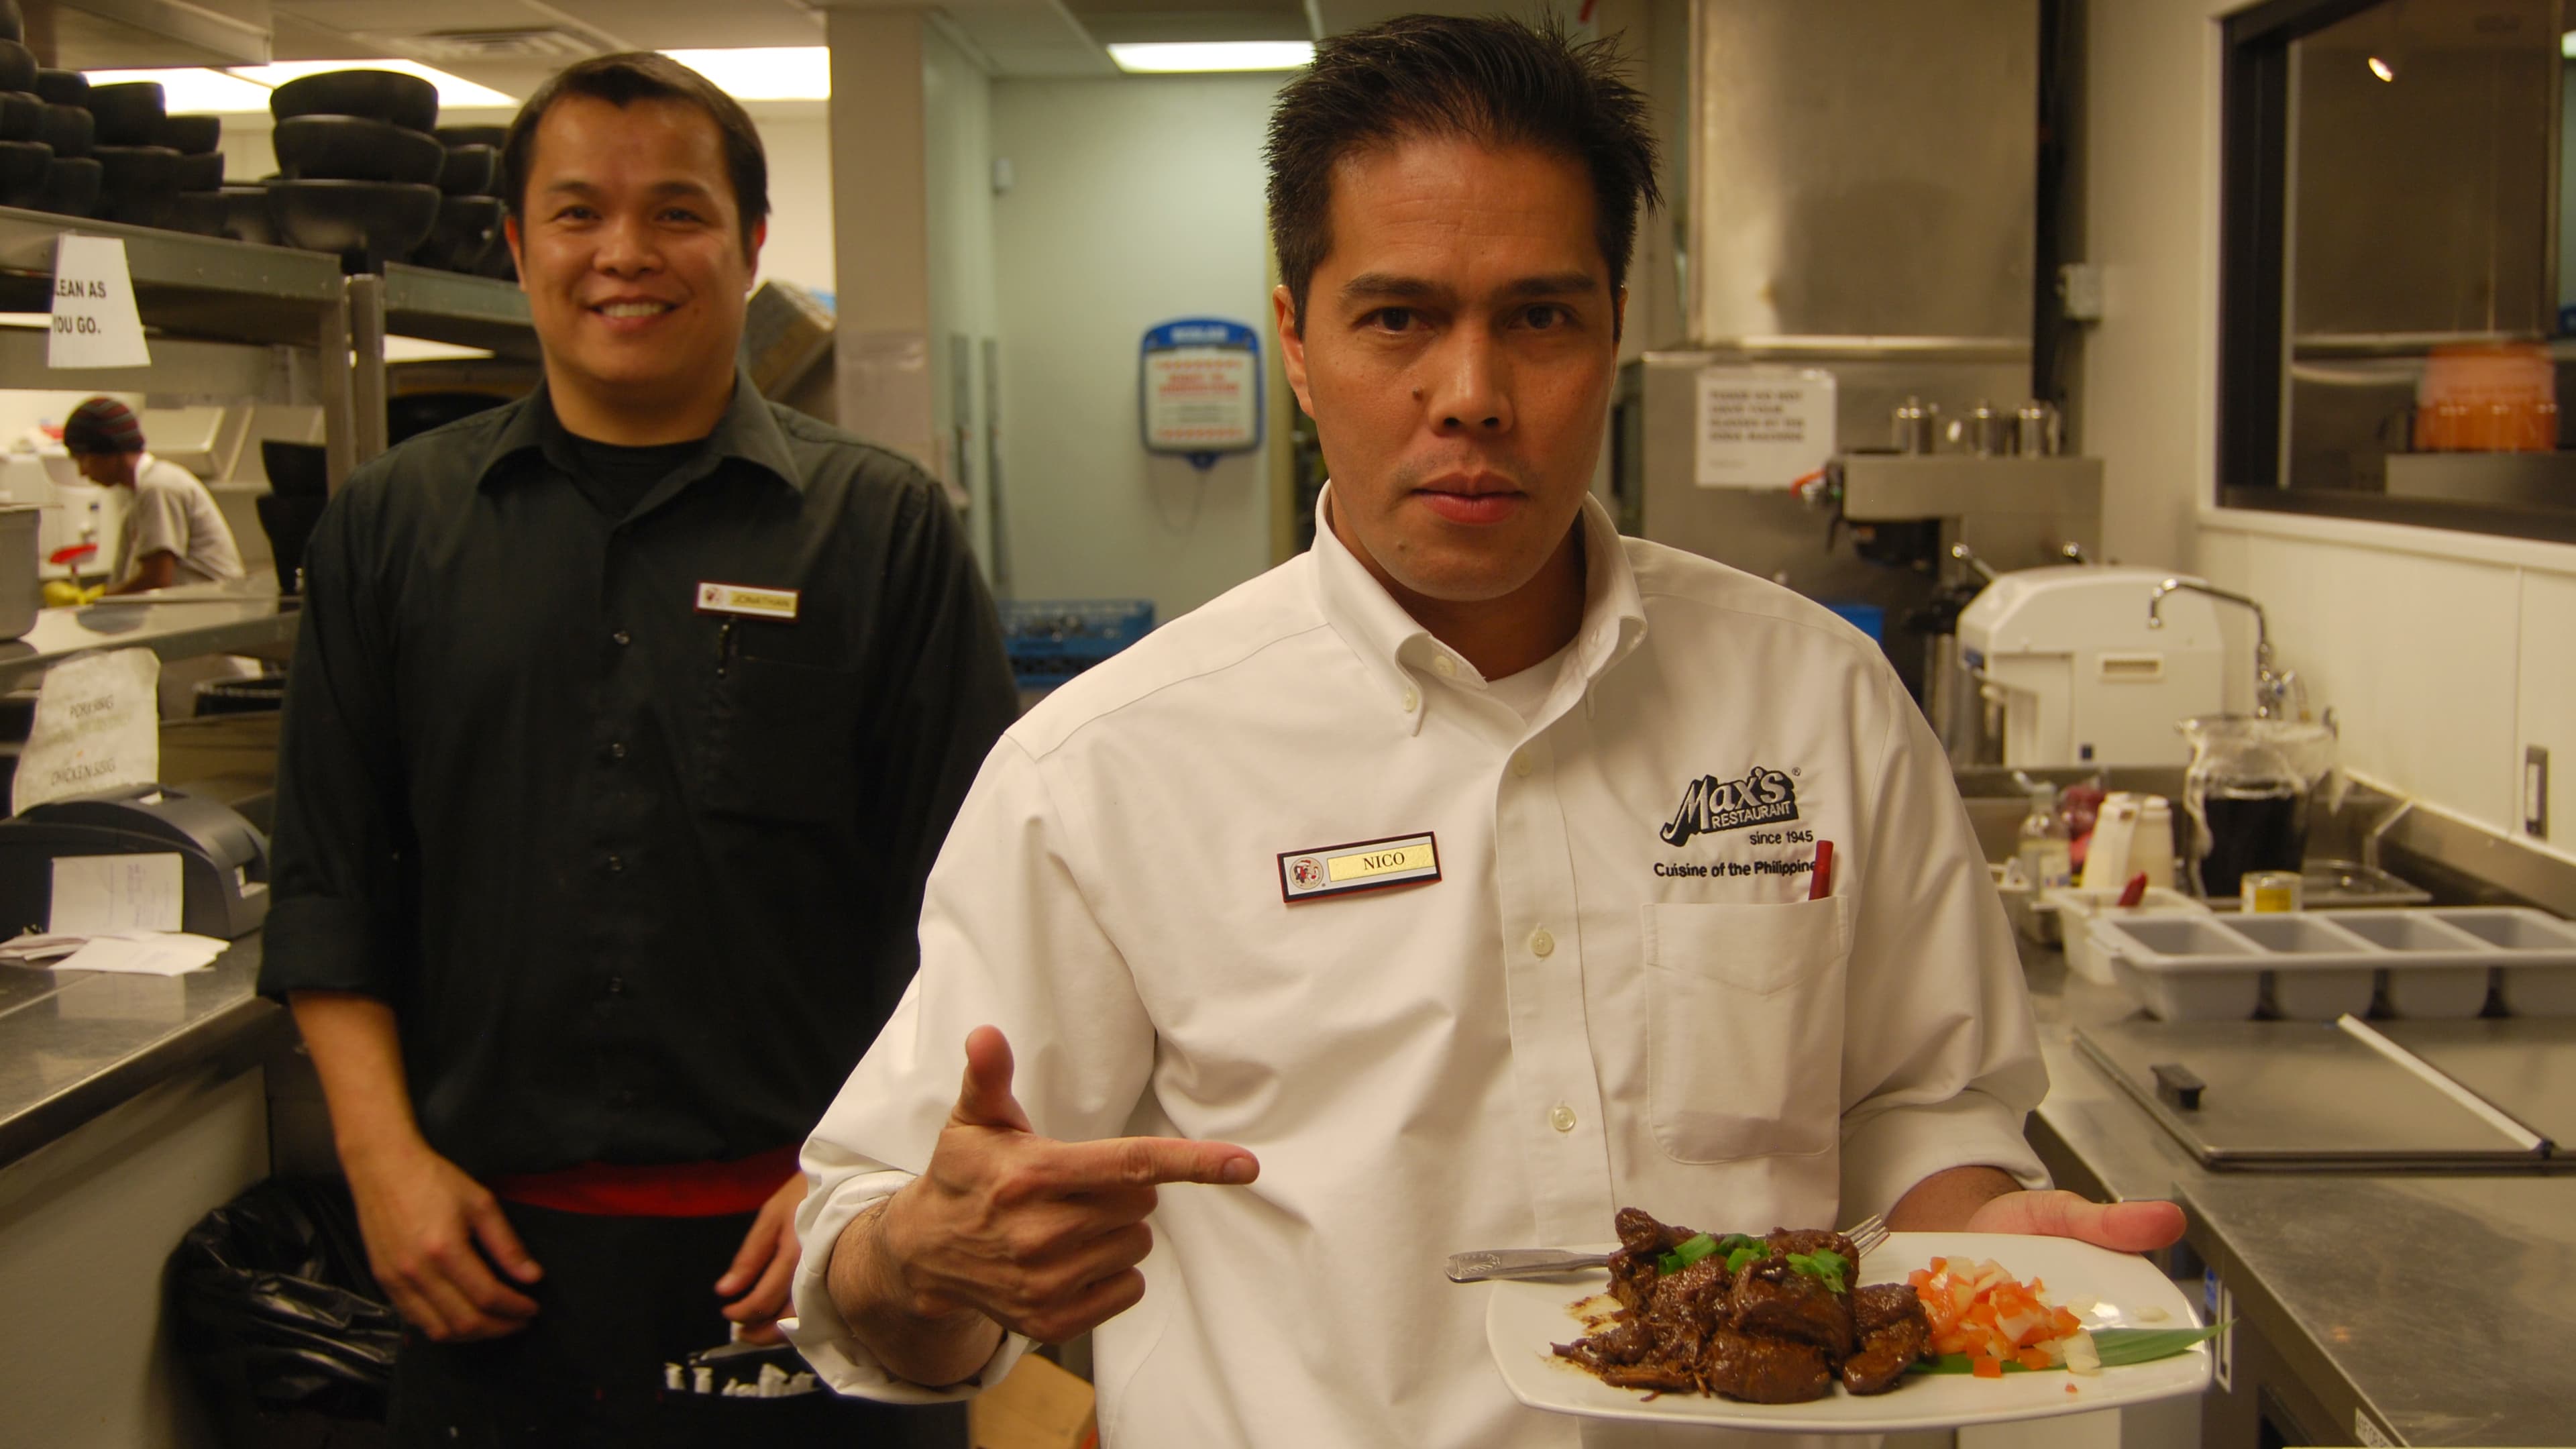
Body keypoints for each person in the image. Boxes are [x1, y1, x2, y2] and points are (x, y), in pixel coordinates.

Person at [788, 15, 2185, 1449]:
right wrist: (914, 1259)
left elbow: (1918, 1105)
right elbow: (872, 1258)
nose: (1472, 394)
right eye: (1398, 317)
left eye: (1540, 316)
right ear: (1296, 339)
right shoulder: (1107, 773)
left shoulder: (1815, 704)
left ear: (1614, 331)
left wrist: (1989, 1230)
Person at [258, 51, 1016, 1448]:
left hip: (808, 1244)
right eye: (577, 213)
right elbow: (331, 878)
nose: (625, 254)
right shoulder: (389, 529)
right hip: (483, 1252)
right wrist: (381, 1166)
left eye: (676, 212)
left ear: (750, 246)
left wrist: (880, 1169)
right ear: (515, 242)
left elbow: (974, 901)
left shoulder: (881, 531)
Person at [60, 395, 246, 596]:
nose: (83, 472)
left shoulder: (158, 488)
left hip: (213, 613)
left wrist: (91, 600)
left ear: (109, 448)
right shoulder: (138, 499)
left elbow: (156, 579)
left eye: (83, 459)